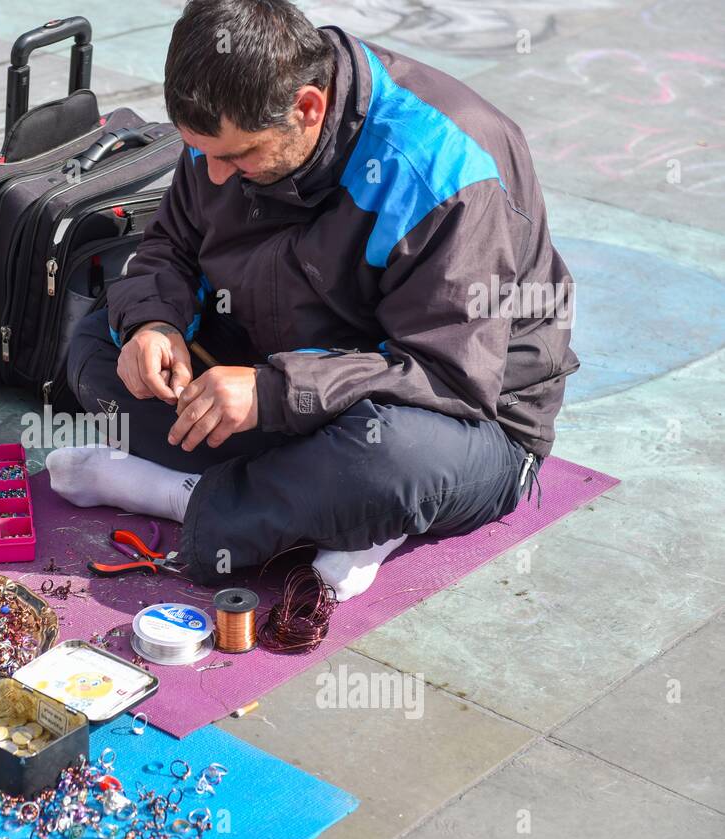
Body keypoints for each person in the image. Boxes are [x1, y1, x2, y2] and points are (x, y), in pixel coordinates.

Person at [47, 0, 578, 598]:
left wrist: (275, 393)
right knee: (99, 344)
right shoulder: (234, 117)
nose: (215, 175)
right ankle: (318, 507)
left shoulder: (443, 171)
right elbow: (169, 245)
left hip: (455, 416)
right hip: (281, 362)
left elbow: (448, 376)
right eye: (203, 153)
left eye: (237, 157)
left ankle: (182, 496)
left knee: (387, 463)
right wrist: (153, 324)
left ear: (307, 108)